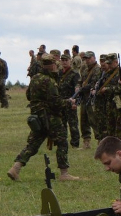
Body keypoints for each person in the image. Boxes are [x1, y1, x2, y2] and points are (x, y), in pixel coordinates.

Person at [8, 54, 79, 182]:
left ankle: (15, 168)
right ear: (52, 65)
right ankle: (64, 173)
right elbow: (55, 102)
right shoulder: (49, 81)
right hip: (50, 117)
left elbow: (29, 95)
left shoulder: (35, 78)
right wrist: (69, 102)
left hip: (37, 117)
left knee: (33, 144)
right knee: (62, 140)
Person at [98, 53, 121, 141]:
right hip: (109, 103)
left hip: (118, 104)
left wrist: (107, 89)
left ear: (116, 62)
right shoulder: (106, 74)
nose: (109, 65)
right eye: (108, 63)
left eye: (110, 63)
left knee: (119, 128)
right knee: (110, 127)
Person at [57, 54, 81, 148]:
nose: (64, 62)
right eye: (62, 60)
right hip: (61, 102)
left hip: (71, 101)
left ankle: (75, 144)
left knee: (73, 124)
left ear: (70, 60)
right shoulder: (59, 73)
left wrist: (76, 102)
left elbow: (77, 89)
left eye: (66, 60)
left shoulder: (74, 74)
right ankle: (62, 142)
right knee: (61, 124)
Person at [78, 51, 100, 149]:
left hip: (92, 99)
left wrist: (81, 88)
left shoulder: (97, 69)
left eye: (89, 58)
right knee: (84, 120)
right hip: (84, 98)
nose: (87, 60)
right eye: (86, 58)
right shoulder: (85, 69)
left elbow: (94, 84)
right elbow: (80, 80)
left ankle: (100, 141)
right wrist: (78, 86)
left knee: (94, 120)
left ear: (94, 58)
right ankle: (86, 142)